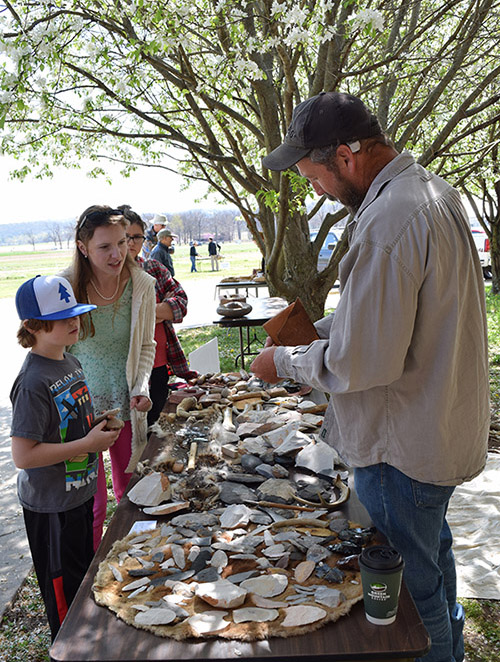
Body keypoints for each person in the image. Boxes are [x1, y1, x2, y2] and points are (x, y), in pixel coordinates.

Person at [252, 91, 490, 662]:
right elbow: (393, 313)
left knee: (409, 596)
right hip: (434, 430)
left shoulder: (389, 217)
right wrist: (324, 327)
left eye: (315, 178)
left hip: (400, 448)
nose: (317, 191)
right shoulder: (431, 192)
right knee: (432, 566)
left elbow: (363, 362)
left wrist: (282, 363)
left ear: (346, 155)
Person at [10, 275, 121, 640]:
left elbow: (70, 423)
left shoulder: (69, 361)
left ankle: (88, 643)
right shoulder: (32, 382)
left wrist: (100, 425)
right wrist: (87, 445)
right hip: (51, 509)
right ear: (33, 326)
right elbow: (24, 455)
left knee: (83, 582)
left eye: (76, 313)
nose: (74, 321)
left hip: (79, 496)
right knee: (65, 603)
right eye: (63, 317)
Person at [62, 205, 156, 550]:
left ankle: (137, 565)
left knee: (130, 493)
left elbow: (146, 346)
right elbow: (55, 352)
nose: (117, 254)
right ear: (83, 247)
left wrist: (142, 386)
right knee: (93, 505)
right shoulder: (66, 288)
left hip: (125, 404)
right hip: (78, 412)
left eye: (122, 242)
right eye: (104, 247)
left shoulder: (143, 285)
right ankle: (90, 582)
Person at [118, 205, 197, 425]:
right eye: (125, 237)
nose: (131, 243)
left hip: (159, 363)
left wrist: (147, 311)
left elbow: (181, 303)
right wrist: (159, 311)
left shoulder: (154, 269)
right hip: (125, 366)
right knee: (130, 427)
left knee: (154, 418)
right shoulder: (107, 279)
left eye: (137, 237)